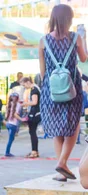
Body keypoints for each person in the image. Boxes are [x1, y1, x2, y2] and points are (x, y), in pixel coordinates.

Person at [39, 4, 88, 182]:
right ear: (69, 19)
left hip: (50, 90)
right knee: (72, 126)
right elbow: (84, 58)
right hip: (71, 88)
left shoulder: (43, 41)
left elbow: (43, 72)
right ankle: (62, 162)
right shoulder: (76, 38)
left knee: (57, 130)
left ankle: (61, 170)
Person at [20, 77, 41, 158]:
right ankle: (35, 150)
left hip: (35, 113)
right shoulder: (36, 88)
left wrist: (26, 104)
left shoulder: (34, 90)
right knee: (32, 132)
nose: (24, 87)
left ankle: (34, 151)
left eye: (24, 85)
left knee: (32, 132)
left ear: (28, 82)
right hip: (36, 112)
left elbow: (34, 102)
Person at [4, 93, 24, 157]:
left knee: (11, 138)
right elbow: (15, 114)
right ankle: (7, 152)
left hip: (8, 123)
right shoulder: (18, 105)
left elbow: (6, 114)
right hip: (14, 124)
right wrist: (21, 119)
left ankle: (7, 151)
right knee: (11, 139)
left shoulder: (9, 104)